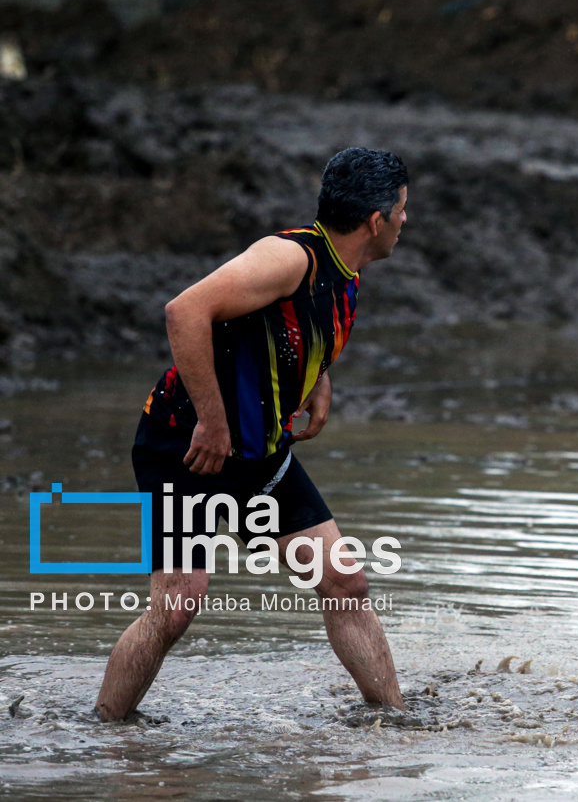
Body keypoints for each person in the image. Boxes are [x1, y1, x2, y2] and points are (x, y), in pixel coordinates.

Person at [95, 147, 410, 720]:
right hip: (186, 448)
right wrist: (213, 423)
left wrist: (317, 377)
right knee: (176, 606)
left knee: (345, 581)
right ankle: (106, 730)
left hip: (261, 453)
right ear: (376, 220)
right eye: (403, 211)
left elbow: (286, 331)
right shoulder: (287, 258)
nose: (406, 222)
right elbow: (184, 312)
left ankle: (396, 718)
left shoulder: (346, 271)